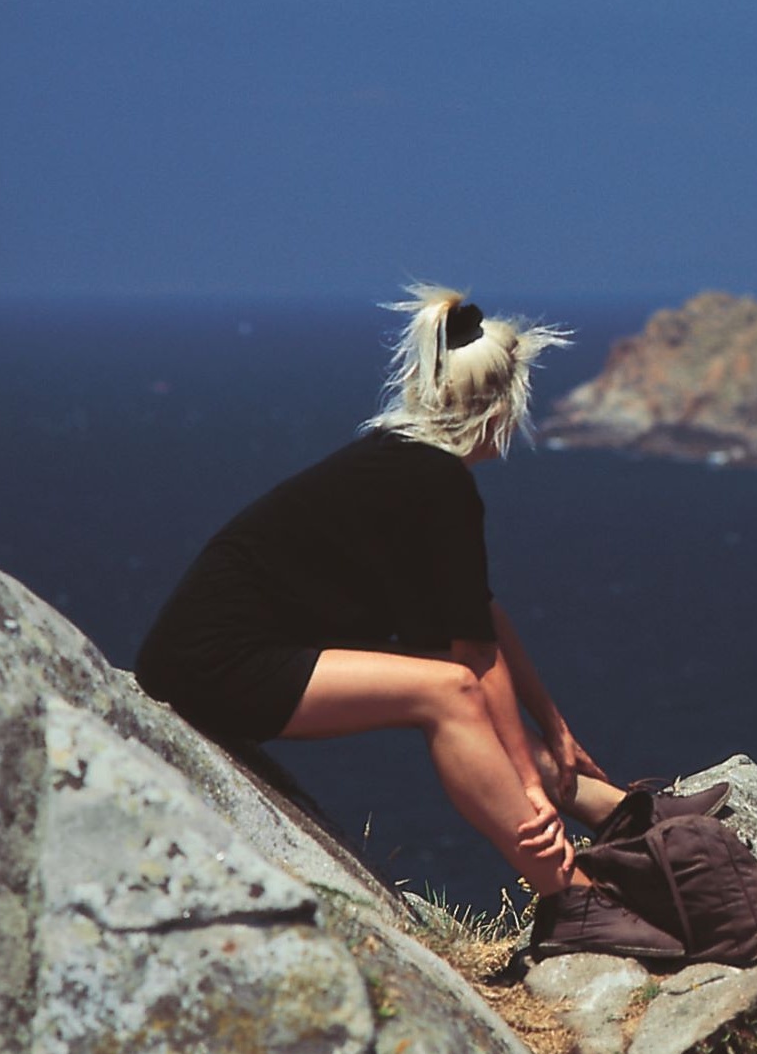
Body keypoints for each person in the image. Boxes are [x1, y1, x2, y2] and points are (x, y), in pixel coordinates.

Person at [137, 285, 719, 960]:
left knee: (457, 687)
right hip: (215, 665)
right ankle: (572, 900)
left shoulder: (406, 464)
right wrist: (530, 787)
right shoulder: (436, 483)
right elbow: (474, 662)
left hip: (235, 649)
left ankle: (617, 815)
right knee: (449, 693)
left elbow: (480, 616)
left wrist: (556, 729)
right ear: (501, 406)